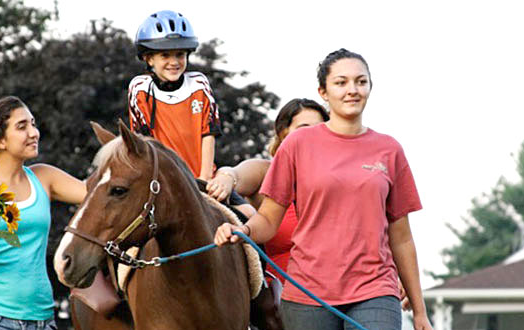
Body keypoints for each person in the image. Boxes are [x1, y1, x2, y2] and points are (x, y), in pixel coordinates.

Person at [214, 49, 432, 330]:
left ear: (369, 87)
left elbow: (401, 237)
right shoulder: (297, 145)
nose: (352, 90)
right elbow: (269, 218)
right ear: (324, 92)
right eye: (341, 82)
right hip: (307, 292)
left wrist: (420, 311)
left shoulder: (389, 150)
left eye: (360, 82)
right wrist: (243, 231)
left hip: (375, 290)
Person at [0, 96, 87, 330]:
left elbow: (100, 195)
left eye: (33, 124)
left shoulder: (45, 178)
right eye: (22, 127)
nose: (34, 133)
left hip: (41, 318)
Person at [128, 10, 255, 217]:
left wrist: (203, 181)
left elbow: (208, 134)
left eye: (180, 54)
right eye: (165, 55)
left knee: (251, 218)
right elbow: (144, 144)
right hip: (163, 182)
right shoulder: (139, 89)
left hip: (204, 179)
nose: (174, 61)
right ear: (148, 58)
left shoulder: (199, 83)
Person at [207, 98, 329, 285]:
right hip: (279, 299)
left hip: (335, 292)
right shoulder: (267, 172)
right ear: (283, 134)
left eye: (319, 129)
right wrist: (225, 177)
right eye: (303, 128)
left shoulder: (336, 183)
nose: (312, 136)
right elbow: (235, 174)